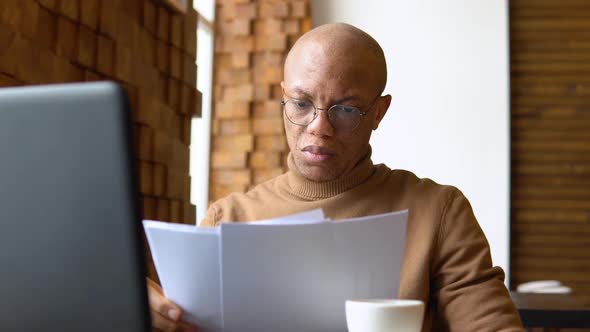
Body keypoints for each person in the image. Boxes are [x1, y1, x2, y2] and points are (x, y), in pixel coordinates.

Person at [148, 23, 524, 332]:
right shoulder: (226, 219)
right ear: (283, 98)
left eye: (345, 109)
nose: (319, 128)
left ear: (379, 111)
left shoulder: (438, 212)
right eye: (301, 103)